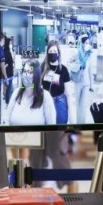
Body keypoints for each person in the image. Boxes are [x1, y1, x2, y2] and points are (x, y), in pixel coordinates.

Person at [36, 40, 77, 193]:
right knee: (45, 139)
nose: (53, 54)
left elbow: (68, 93)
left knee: (58, 140)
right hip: (46, 103)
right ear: (47, 53)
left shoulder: (63, 70)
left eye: (55, 52)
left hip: (60, 103)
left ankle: (65, 177)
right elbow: (37, 88)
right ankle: (44, 174)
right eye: (50, 52)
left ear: (59, 53)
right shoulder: (42, 68)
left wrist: (73, 119)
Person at [5, 59, 56, 126]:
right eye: (25, 71)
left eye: (30, 72)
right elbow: (6, 119)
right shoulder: (16, 92)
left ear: (37, 75)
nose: (27, 75)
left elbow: (51, 126)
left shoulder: (45, 96)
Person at [70, 36, 94, 124]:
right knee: (78, 105)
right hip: (77, 82)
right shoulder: (76, 54)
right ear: (82, 44)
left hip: (86, 83)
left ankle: (82, 124)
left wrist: (92, 85)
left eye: (89, 43)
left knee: (83, 105)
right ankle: (78, 123)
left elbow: (90, 71)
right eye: (86, 43)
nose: (88, 45)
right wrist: (76, 66)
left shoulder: (90, 55)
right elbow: (68, 63)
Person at [3, 37, 15, 104]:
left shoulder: (8, 51)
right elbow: (6, 63)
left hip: (9, 71)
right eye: (10, 43)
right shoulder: (6, 52)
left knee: (9, 87)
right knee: (8, 87)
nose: (11, 44)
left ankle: (8, 100)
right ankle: (8, 102)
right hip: (8, 72)